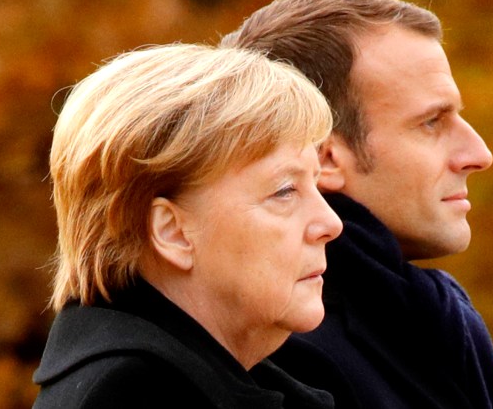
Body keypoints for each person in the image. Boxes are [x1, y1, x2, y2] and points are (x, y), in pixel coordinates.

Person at [220, 0, 493, 408]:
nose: (478, 155)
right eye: (431, 122)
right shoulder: (274, 347)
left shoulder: (429, 316)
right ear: (326, 157)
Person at [32, 43, 345, 408]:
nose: (330, 223)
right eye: (284, 190)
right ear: (173, 232)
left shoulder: (210, 378)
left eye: (316, 185)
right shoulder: (135, 396)